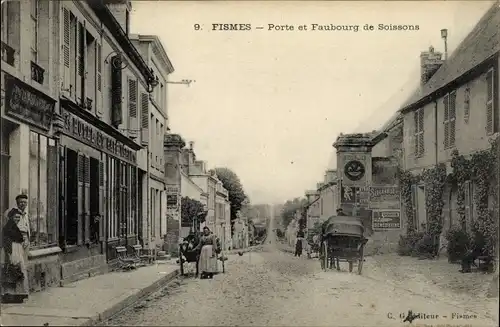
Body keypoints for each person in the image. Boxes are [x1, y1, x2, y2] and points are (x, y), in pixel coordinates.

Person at [1, 208, 29, 303]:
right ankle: (12, 295)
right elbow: (6, 242)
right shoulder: (8, 227)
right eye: (15, 217)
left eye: (18, 217)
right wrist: (10, 254)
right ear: (11, 217)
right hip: (12, 251)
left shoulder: (15, 227)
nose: (17, 219)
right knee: (14, 270)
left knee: (17, 270)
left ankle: (18, 294)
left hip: (17, 250)